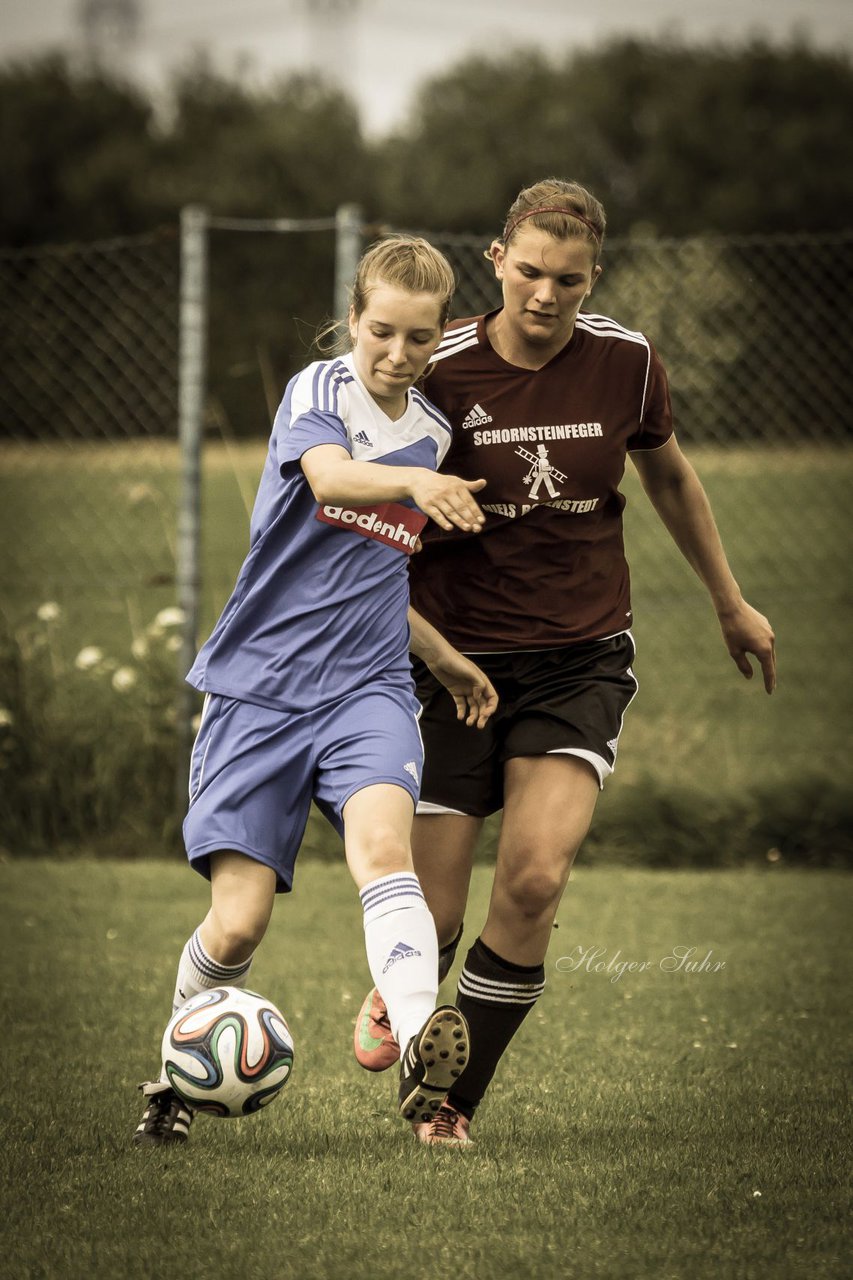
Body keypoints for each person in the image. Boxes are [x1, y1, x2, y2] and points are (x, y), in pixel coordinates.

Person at [353, 179, 777, 1146]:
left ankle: (449, 1105)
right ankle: (405, 976)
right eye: (531, 273)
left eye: (570, 281)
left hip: (577, 660)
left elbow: (665, 468)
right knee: (438, 907)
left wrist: (729, 599)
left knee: (536, 880)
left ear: (595, 278)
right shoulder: (438, 369)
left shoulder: (626, 363)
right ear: (497, 258)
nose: (547, 297)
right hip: (449, 664)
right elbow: (368, 496)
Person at [133, 235, 499, 1146]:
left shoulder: (433, 432)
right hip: (260, 687)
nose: (397, 355)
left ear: (440, 333)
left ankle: (419, 1043)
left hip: (367, 688)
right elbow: (333, 481)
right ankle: (170, 1083)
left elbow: (378, 568)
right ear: (353, 318)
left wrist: (443, 657)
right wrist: (416, 479)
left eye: (420, 339)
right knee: (238, 923)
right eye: (381, 331)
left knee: (385, 851)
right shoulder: (319, 393)